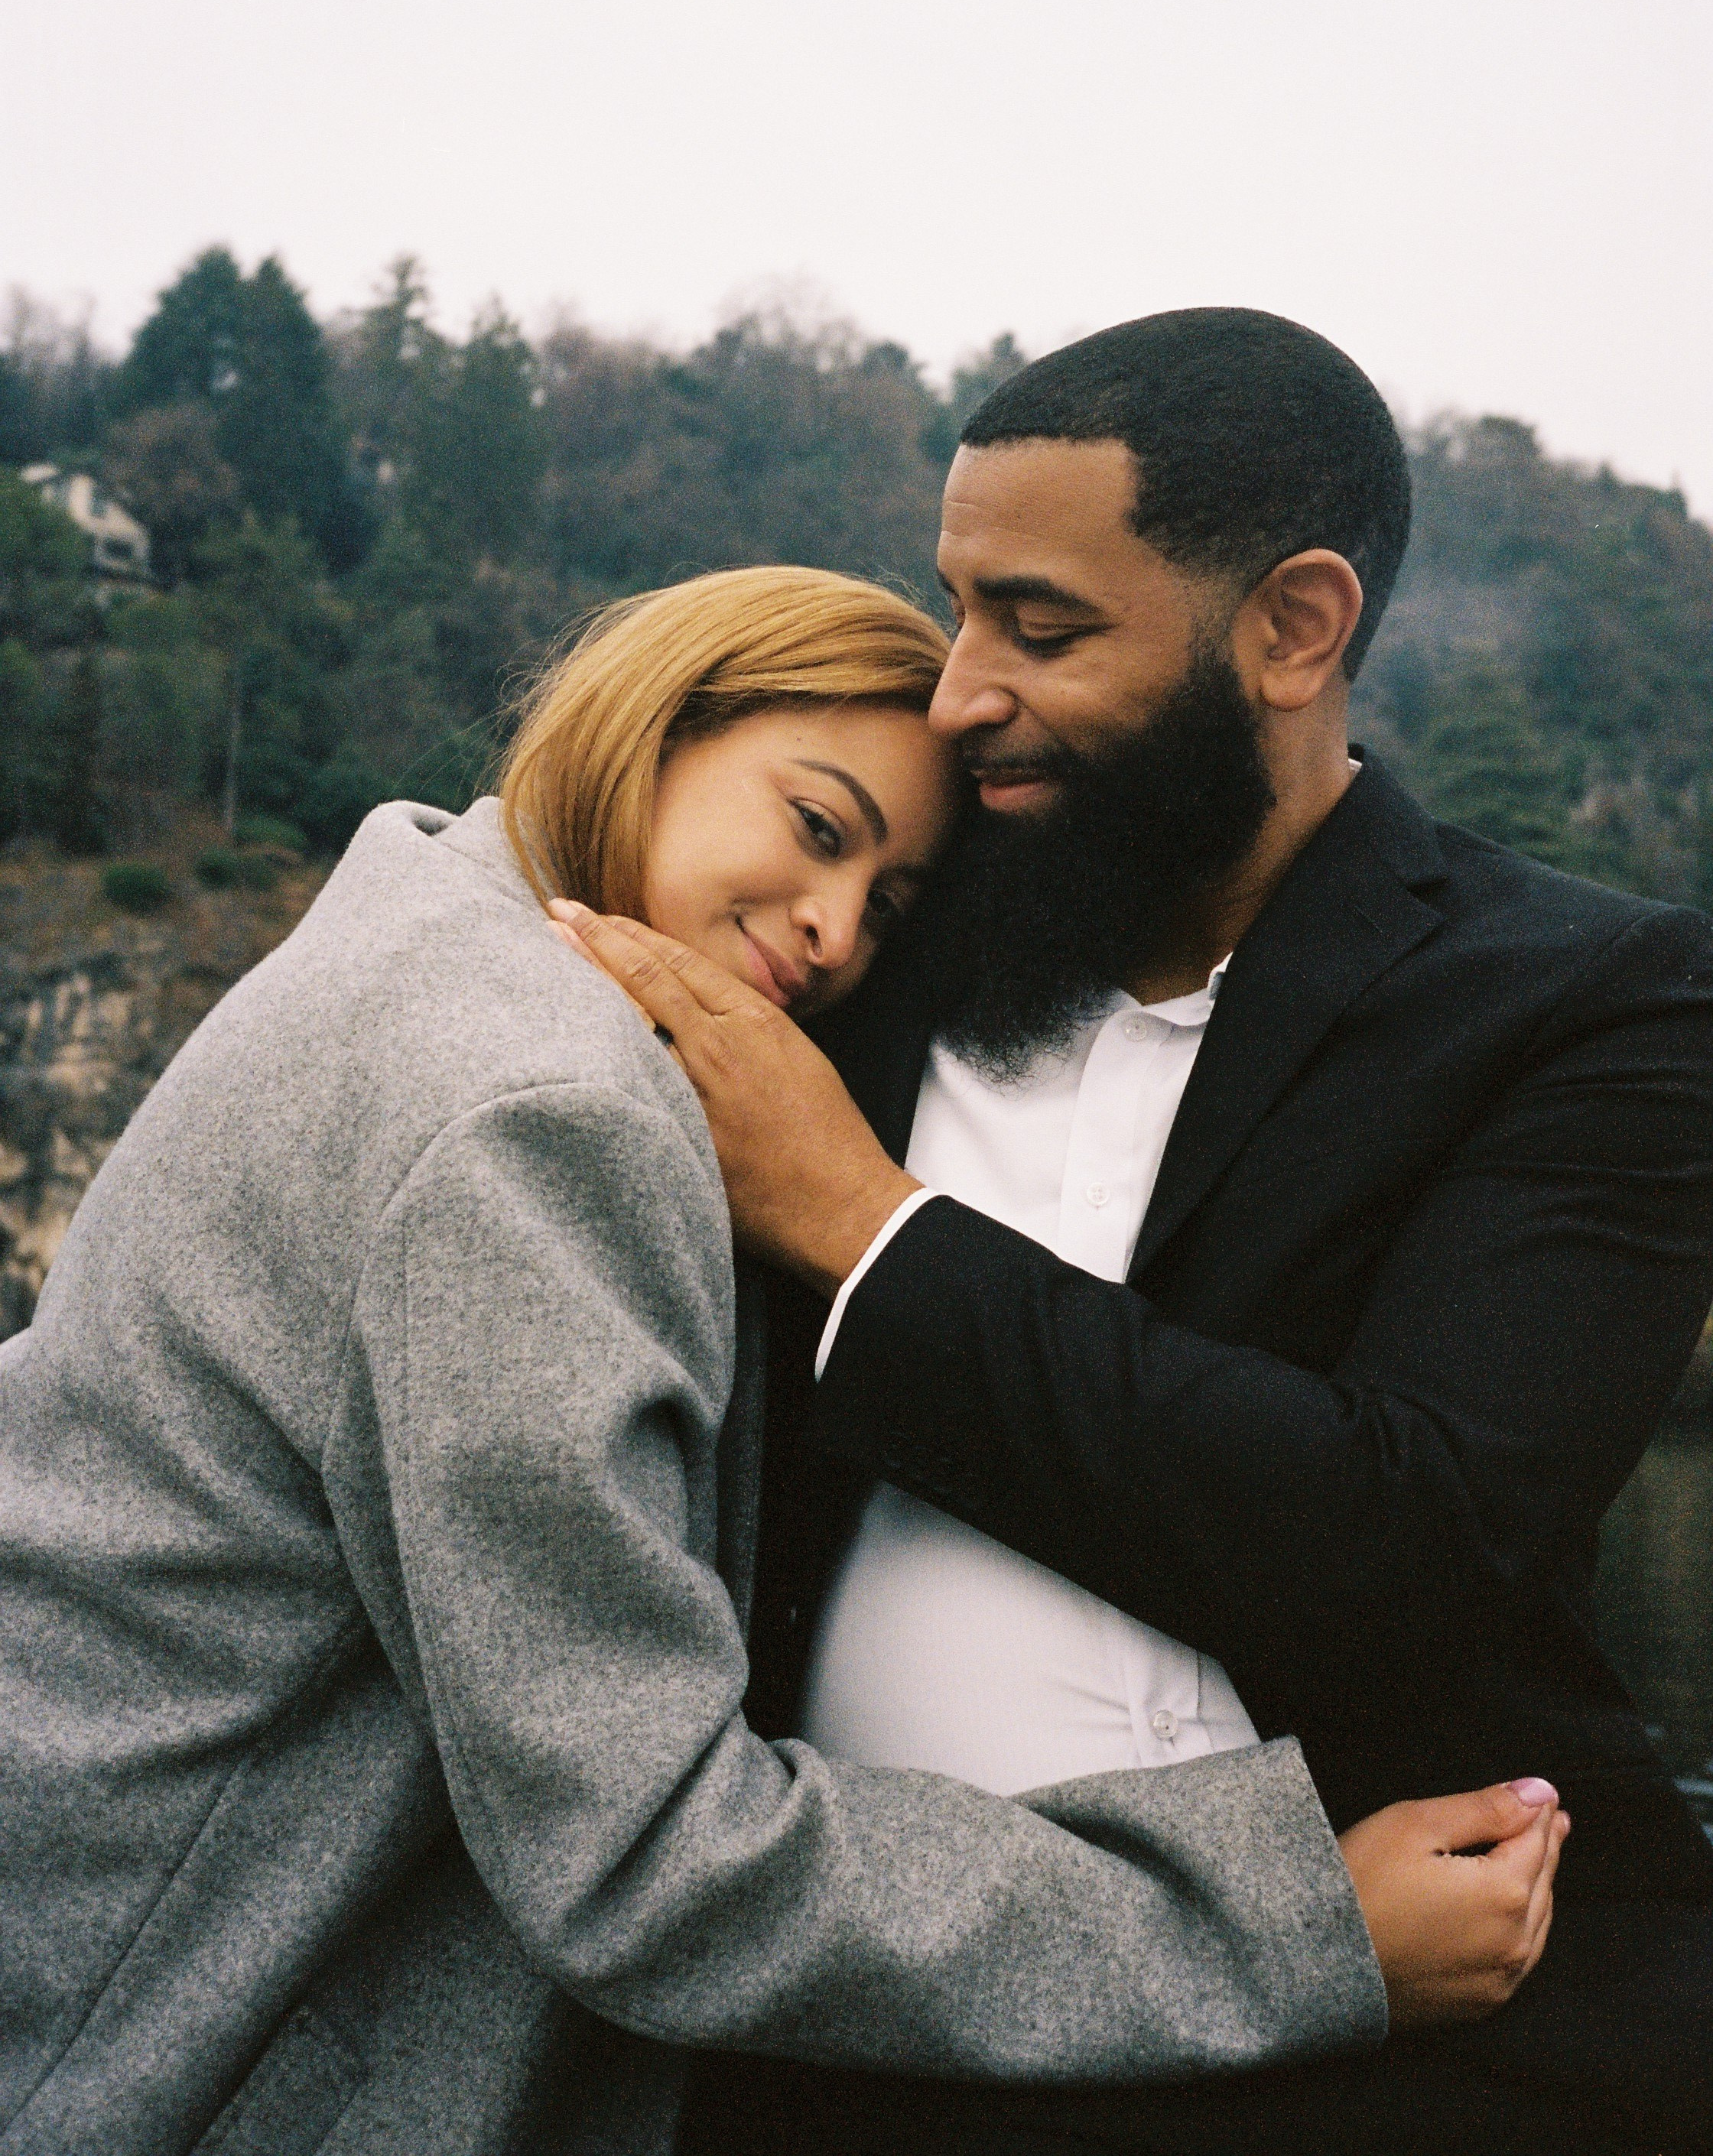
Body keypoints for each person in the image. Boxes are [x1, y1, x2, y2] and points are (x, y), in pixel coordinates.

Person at [0, 563, 1554, 2156]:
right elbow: (650, 1857)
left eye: (888, 903)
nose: (829, 929)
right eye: (816, 827)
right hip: (160, 2061)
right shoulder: (534, 1114)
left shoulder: (434, 926)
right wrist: (1294, 1932)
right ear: (655, 725)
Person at [558, 316, 1713, 2155]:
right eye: (958, 612)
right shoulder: (864, 931)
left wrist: (865, 1235)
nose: (957, 693)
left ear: (1292, 627)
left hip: (1422, 2063)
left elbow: (1405, 1531)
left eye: (1042, 626)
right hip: (844, 2051)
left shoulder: (1594, 1003)